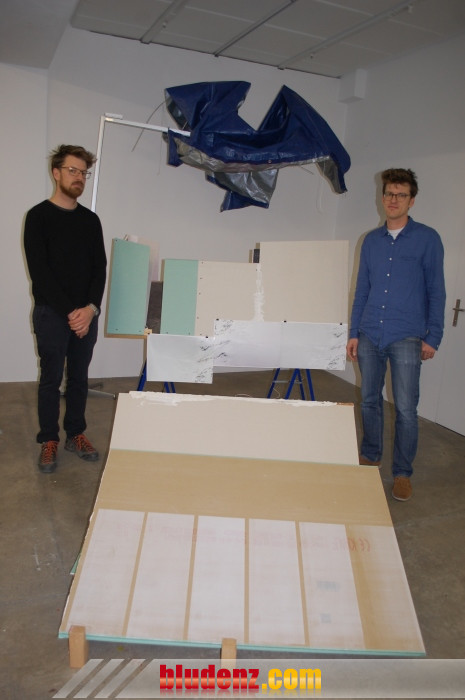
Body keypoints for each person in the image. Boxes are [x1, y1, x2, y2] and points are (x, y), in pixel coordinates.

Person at [346, 168, 445, 501]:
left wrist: (433, 336)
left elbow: (436, 290)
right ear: (382, 197)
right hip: (370, 332)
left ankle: (402, 473)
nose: (393, 200)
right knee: (369, 400)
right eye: (389, 193)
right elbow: (362, 290)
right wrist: (354, 332)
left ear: (411, 200)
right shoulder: (371, 241)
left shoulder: (427, 239)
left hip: (406, 335)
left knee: (405, 408)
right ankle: (370, 455)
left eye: (401, 195)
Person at [24, 144, 107, 473]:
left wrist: (90, 309)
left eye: (84, 173)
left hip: (85, 315)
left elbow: (99, 269)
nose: (79, 178)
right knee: (50, 379)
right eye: (72, 171)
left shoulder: (90, 221)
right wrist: (73, 313)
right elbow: (40, 272)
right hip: (52, 313)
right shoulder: (38, 217)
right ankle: (49, 439)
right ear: (56, 173)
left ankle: (75, 434)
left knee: (79, 378)